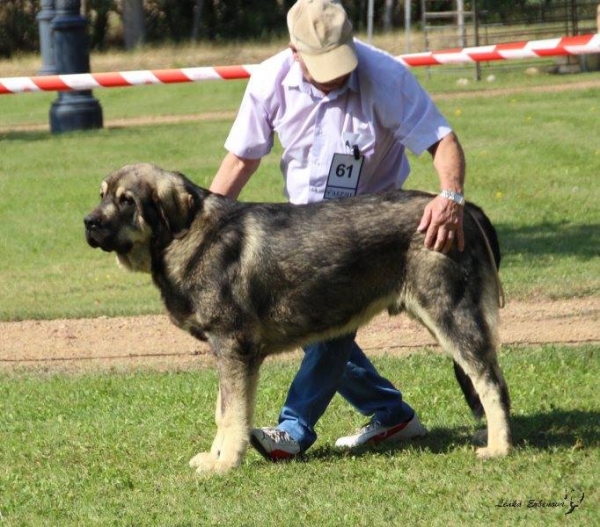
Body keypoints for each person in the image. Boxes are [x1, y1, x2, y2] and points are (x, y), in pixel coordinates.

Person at [209, 0, 466, 461]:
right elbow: (242, 158)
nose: (334, 75)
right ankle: (392, 414)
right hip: (302, 231)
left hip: (374, 231)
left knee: (326, 327)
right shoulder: (269, 80)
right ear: (293, 51)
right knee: (314, 323)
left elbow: (441, 139)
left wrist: (450, 196)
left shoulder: (385, 75)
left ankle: (293, 430)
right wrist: (205, 230)